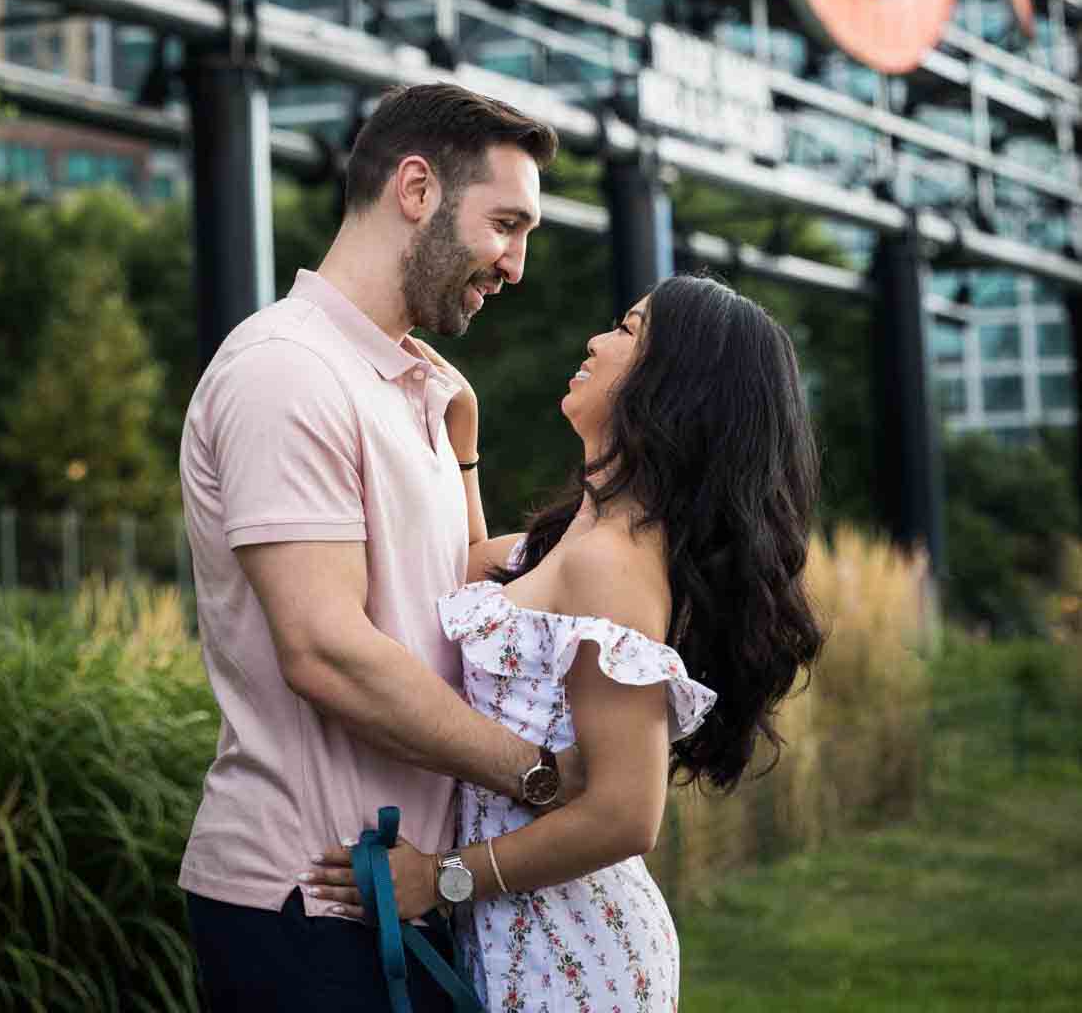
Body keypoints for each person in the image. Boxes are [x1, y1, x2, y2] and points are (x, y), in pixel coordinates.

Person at [308, 274, 825, 1012]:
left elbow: (625, 813)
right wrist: (462, 443)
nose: (596, 339)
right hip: (529, 936)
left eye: (627, 330)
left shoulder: (612, 562)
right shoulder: (571, 543)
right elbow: (459, 565)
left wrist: (441, 877)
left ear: (671, 383)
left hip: (572, 952)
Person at [179, 81, 572, 1013]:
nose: (515, 265)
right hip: (309, 898)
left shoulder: (410, 385)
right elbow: (327, 651)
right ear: (416, 189)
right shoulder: (287, 369)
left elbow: (451, 607)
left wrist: (471, 454)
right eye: (506, 224)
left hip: (398, 889)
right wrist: (545, 780)